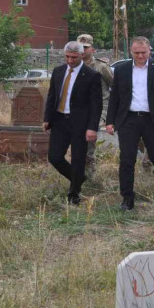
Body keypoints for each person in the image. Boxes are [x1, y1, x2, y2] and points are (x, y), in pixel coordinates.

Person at [106, 37, 154, 210]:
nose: (140, 56)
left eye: (143, 52)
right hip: (129, 119)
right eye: (137, 53)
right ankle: (127, 198)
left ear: (149, 50)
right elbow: (115, 97)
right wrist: (110, 121)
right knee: (127, 160)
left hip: (153, 120)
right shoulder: (121, 69)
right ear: (131, 51)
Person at [43, 41, 103, 205]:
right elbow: (52, 96)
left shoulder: (91, 75)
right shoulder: (58, 71)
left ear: (81, 55)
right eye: (67, 57)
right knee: (54, 157)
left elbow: (96, 105)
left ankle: (74, 194)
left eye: (74, 57)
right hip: (60, 120)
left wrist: (92, 127)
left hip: (80, 123)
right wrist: (47, 118)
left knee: (78, 159)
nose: (70, 60)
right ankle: (78, 178)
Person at [77, 33, 113, 173]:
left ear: (93, 49)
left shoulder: (100, 66)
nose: (83, 50)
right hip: (79, 108)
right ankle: (80, 169)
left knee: (89, 138)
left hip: (99, 108)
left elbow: (113, 85)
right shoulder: (73, 64)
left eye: (86, 47)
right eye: (80, 47)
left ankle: (89, 172)